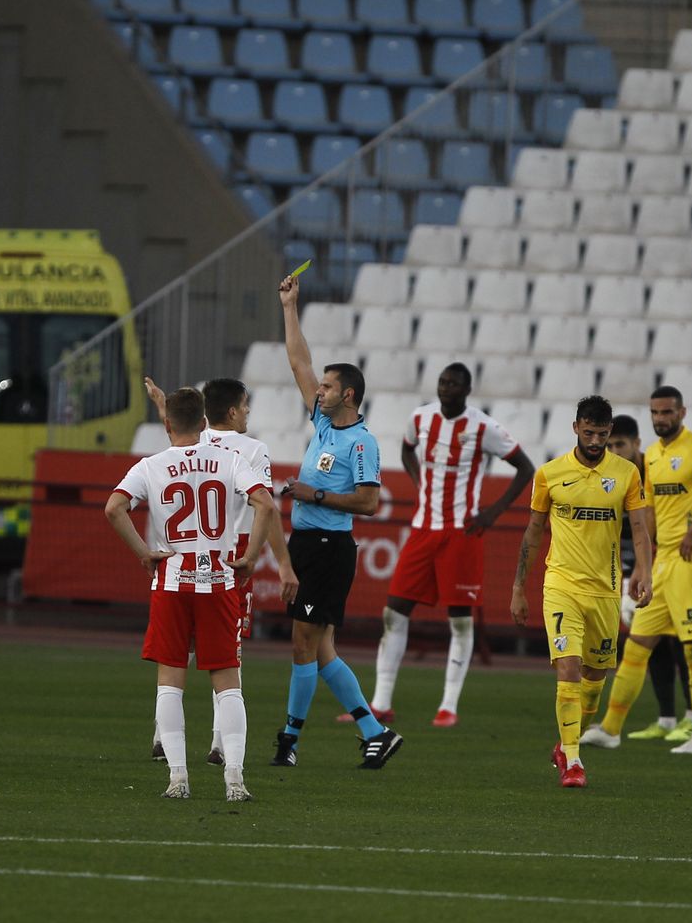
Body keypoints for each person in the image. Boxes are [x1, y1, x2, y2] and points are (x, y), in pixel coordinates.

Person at [106, 386, 287, 800]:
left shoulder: (151, 465)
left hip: (172, 581)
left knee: (170, 679)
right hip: (219, 581)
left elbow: (114, 508)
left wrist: (143, 553)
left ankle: (178, 780)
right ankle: (235, 780)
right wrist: (252, 556)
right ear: (205, 424)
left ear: (167, 424)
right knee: (227, 681)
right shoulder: (231, 459)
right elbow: (265, 504)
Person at [271, 273, 402, 770]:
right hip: (309, 542)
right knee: (321, 647)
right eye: (321, 385)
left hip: (329, 546)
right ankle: (374, 732)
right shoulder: (324, 422)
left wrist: (315, 493)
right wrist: (290, 306)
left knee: (304, 643)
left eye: (328, 386)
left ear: (348, 395)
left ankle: (289, 740)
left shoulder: (362, 442)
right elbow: (298, 361)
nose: (318, 390)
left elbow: (369, 504)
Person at [357, 361, 534, 728]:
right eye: (442, 382)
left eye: (452, 384)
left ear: (466, 390)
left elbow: (526, 468)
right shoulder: (420, 418)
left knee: (460, 622)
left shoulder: (483, 427)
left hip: (462, 533)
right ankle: (381, 703)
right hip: (422, 529)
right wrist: (418, 478)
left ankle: (448, 705)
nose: (445, 388)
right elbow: (407, 449)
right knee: (394, 613)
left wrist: (493, 513)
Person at [143, 376, 299, 765]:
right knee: (228, 652)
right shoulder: (252, 450)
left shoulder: (195, 440)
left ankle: (163, 739)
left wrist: (163, 406)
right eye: (245, 406)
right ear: (232, 410)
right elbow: (267, 508)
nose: (248, 412)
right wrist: (283, 564)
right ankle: (218, 745)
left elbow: (177, 430)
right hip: (231, 550)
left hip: (179, 554)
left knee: (176, 652)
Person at [582, 386, 692, 755]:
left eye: (667, 412)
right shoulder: (651, 456)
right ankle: (610, 728)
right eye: (655, 413)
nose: (660, 419)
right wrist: (642, 564)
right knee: (637, 646)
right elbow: (648, 513)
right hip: (663, 562)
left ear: (682, 413)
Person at [510, 395, 652, 788]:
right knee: (568, 668)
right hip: (561, 585)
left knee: (594, 679)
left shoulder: (626, 473)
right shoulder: (550, 474)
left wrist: (644, 569)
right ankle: (573, 761)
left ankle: (565, 743)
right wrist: (519, 587)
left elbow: (639, 527)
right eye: (588, 432)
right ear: (575, 428)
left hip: (606, 588)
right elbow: (534, 531)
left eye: (602, 434)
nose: (594, 440)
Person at [604, 413, 692, 741]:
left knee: (680, 641)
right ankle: (667, 718)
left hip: (668, 562)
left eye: (620, 444)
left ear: (636, 444)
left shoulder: (654, 470)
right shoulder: (608, 475)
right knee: (652, 640)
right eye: (610, 444)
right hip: (636, 567)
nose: (614, 450)